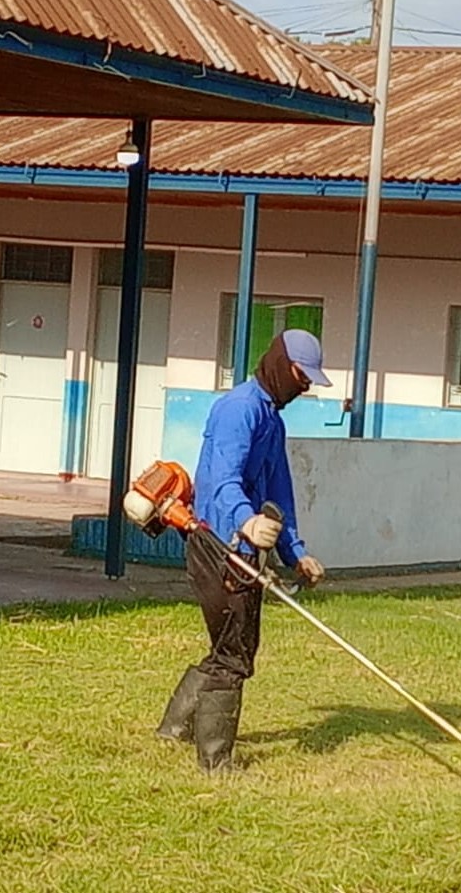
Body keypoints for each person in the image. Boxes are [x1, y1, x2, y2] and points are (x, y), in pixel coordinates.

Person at [155, 328, 330, 772]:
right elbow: (222, 479)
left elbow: (279, 494)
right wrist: (246, 520)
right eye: (301, 375)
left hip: (244, 550)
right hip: (216, 544)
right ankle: (216, 762)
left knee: (232, 646)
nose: (305, 385)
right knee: (234, 652)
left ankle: (173, 729)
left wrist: (296, 552)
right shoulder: (238, 410)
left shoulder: (273, 419)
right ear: (278, 363)